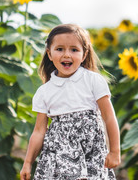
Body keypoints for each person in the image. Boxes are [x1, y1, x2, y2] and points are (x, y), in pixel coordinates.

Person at [20, 24, 121, 180]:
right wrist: (28, 163)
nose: (66, 55)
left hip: (91, 155)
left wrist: (114, 151)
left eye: (74, 50)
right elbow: (39, 131)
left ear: (84, 54)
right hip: (58, 157)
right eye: (59, 49)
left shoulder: (93, 80)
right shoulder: (44, 92)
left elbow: (109, 117)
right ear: (49, 53)